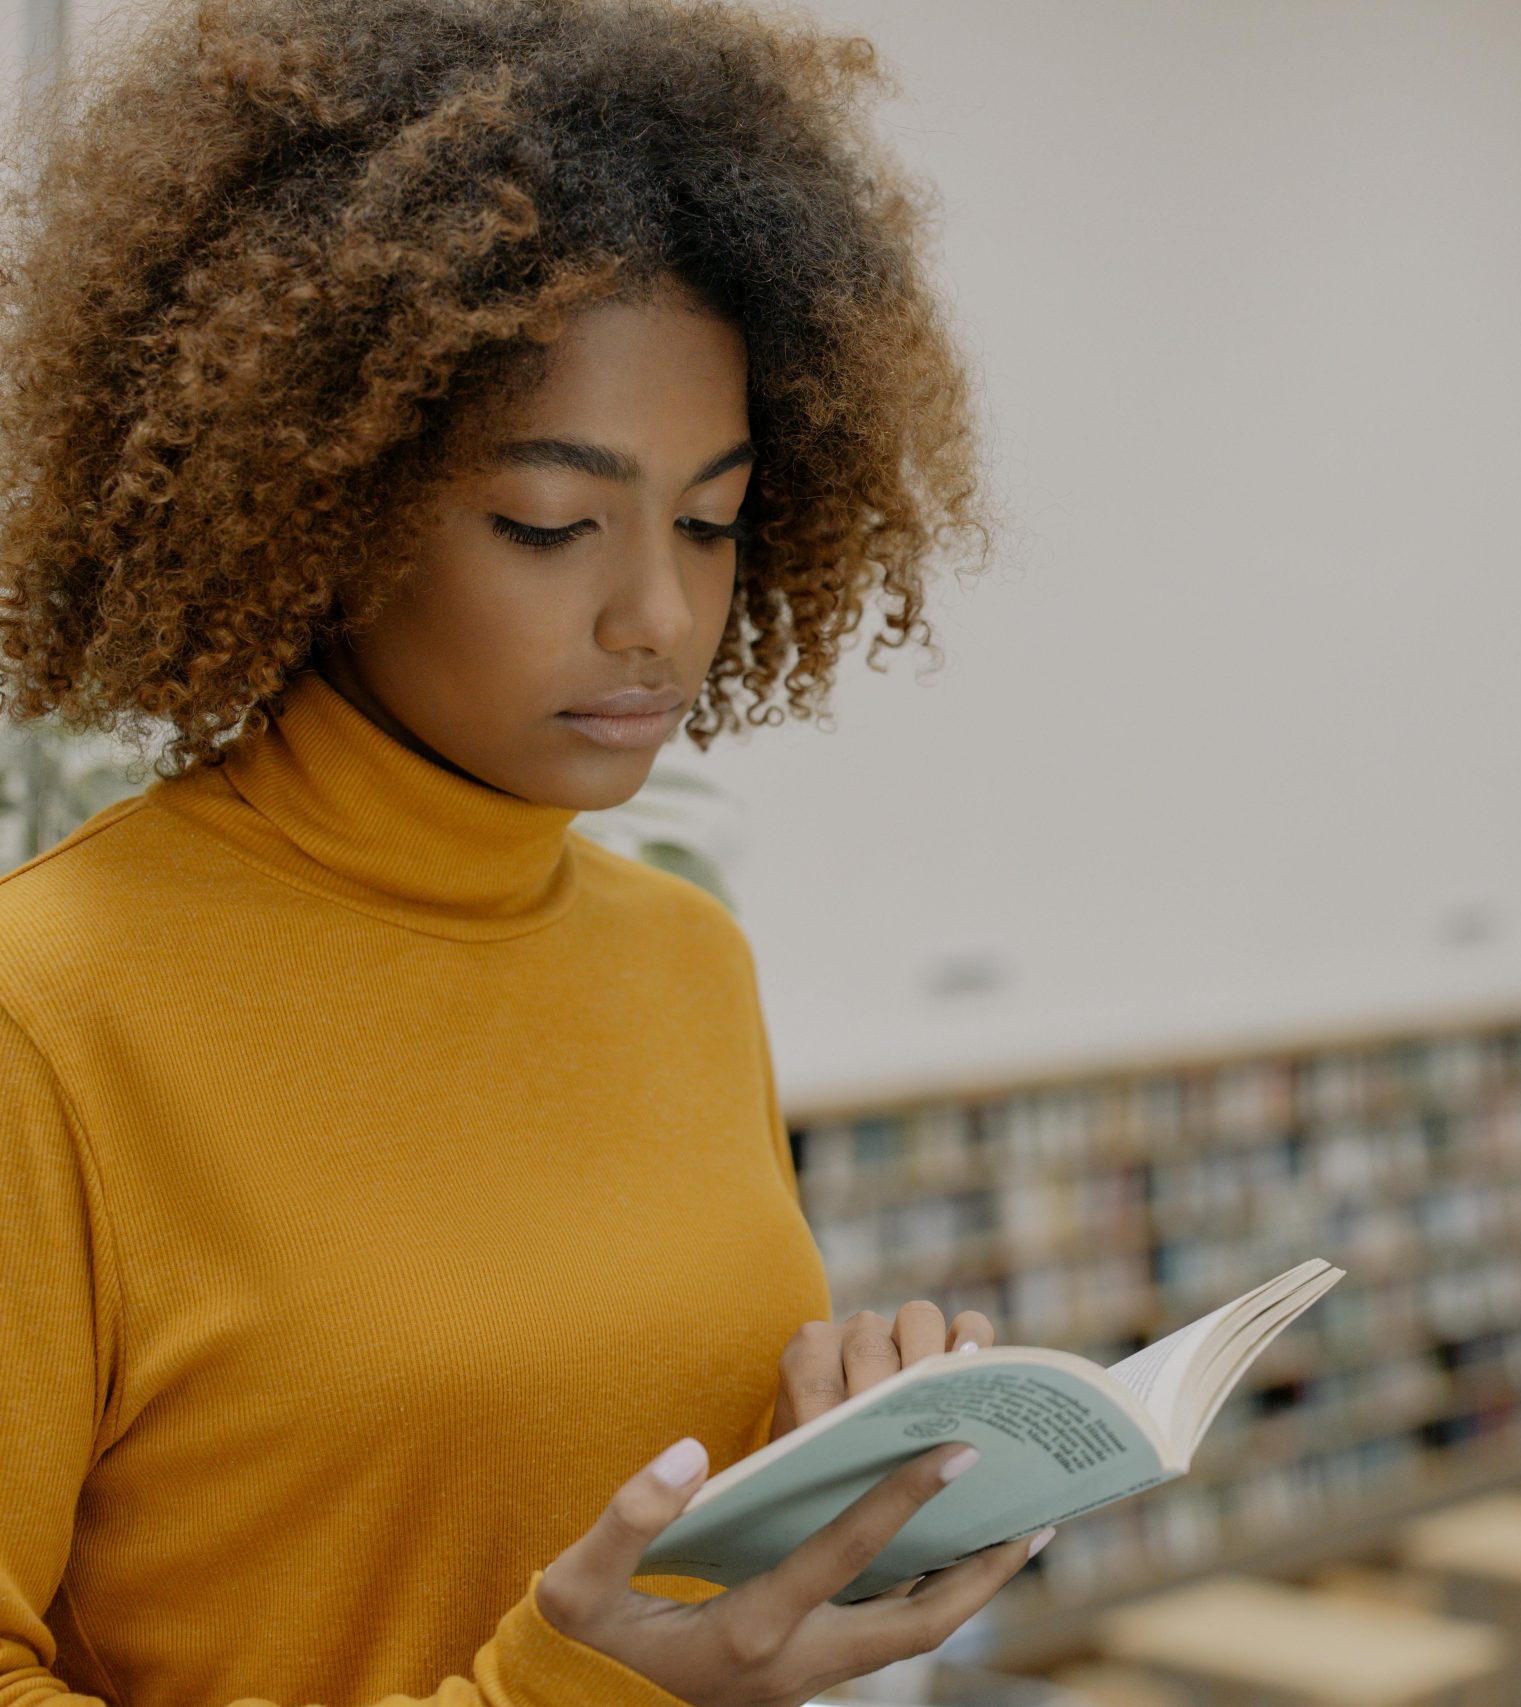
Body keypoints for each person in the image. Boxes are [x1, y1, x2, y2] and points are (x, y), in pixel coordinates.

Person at [0, 1, 1042, 1704]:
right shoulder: (47, 1018)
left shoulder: (683, 961)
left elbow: (617, 1514)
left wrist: (821, 1477)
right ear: (309, 502)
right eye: (551, 525)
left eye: (711, 520)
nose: (659, 614)